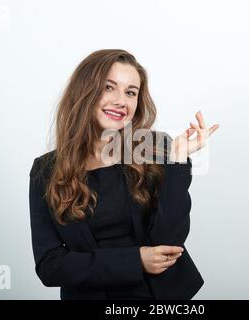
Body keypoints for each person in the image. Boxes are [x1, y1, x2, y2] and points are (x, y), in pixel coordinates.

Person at [28, 49, 219, 300]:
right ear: (84, 92)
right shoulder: (46, 171)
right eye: (109, 87)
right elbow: (50, 266)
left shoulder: (154, 148)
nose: (121, 101)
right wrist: (135, 261)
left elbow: (169, 243)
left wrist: (178, 160)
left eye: (131, 92)